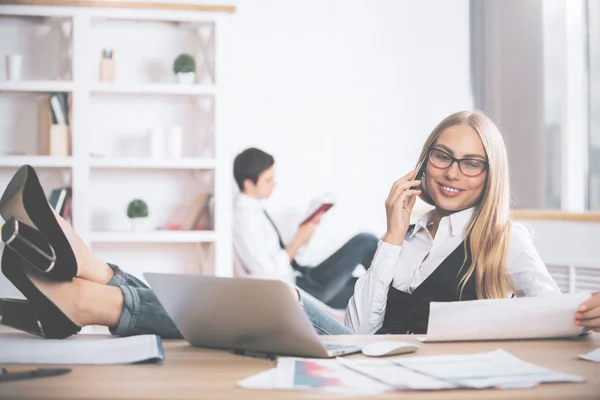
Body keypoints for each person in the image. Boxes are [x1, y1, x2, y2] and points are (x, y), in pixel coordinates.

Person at [0, 188, 351, 340]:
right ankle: (92, 277)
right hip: (363, 335)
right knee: (280, 297)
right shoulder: (249, 216)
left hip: (373, 349)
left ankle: (88, 292)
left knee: (278, 299)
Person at [344, 110, 565, 334]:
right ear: (424, 164)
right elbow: (356, 334)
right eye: (442, 156)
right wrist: (392, 237)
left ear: (491, 175)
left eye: (471, 164)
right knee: (306, 307)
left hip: (442, 366)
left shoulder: (504, 238)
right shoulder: (405, 236)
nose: (451, 173)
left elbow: (554, 310)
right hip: (378, 365)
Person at [232, 148, 378, 309]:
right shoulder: (246, 219)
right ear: (248, 184)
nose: (274, 184)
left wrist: (305, 234)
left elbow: (276, 257)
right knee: (365, 242)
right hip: (299, 290)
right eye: (268, 180)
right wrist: (296, 243)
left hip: (301, 280)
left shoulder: (254, 211)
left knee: (373, 291)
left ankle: (401, 305)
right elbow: (266, 273)